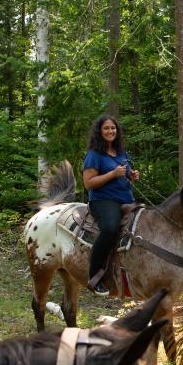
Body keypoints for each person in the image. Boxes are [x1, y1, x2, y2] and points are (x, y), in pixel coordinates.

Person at [82, 114, 139, 296]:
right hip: (102, 200)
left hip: (126, 199)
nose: (110, 131)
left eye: (113, 128)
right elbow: (88, 183)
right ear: (100, 131)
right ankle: (95, 275)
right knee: (110, 229)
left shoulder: (121, 152)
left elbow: (124, 174)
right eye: (106, 128)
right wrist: (113, 174)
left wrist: (132, 176)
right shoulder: (94, 154)